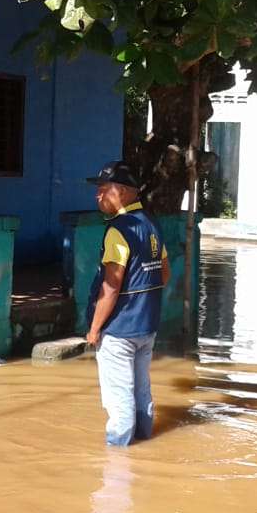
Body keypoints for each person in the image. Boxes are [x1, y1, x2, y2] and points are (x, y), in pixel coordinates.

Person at [84, 160, 170, 446]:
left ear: (122, 192)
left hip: (119, 331)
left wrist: (95, 329)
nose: (97, 196)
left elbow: (111, 287)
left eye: (102, 189)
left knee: (119, 398)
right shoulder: (151, 224)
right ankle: (146, 444)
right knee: (141, 391)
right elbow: (165, 273)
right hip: (147, 326)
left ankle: (117, 463)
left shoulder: (119, 231)